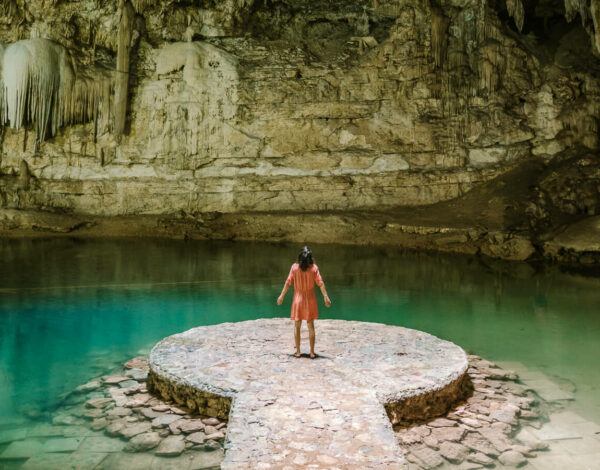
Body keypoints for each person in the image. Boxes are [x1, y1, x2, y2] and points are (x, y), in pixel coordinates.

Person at [277, 246, 331, 358]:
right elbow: (320, 283)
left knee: (297, 326)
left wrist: (282, 295)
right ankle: (311, 352)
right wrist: (325, 296)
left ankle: (298, 352)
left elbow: (288, 282)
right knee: (311, 326)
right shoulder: (314, 268)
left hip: (298, 299)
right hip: (310, 299)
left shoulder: (294, 267)